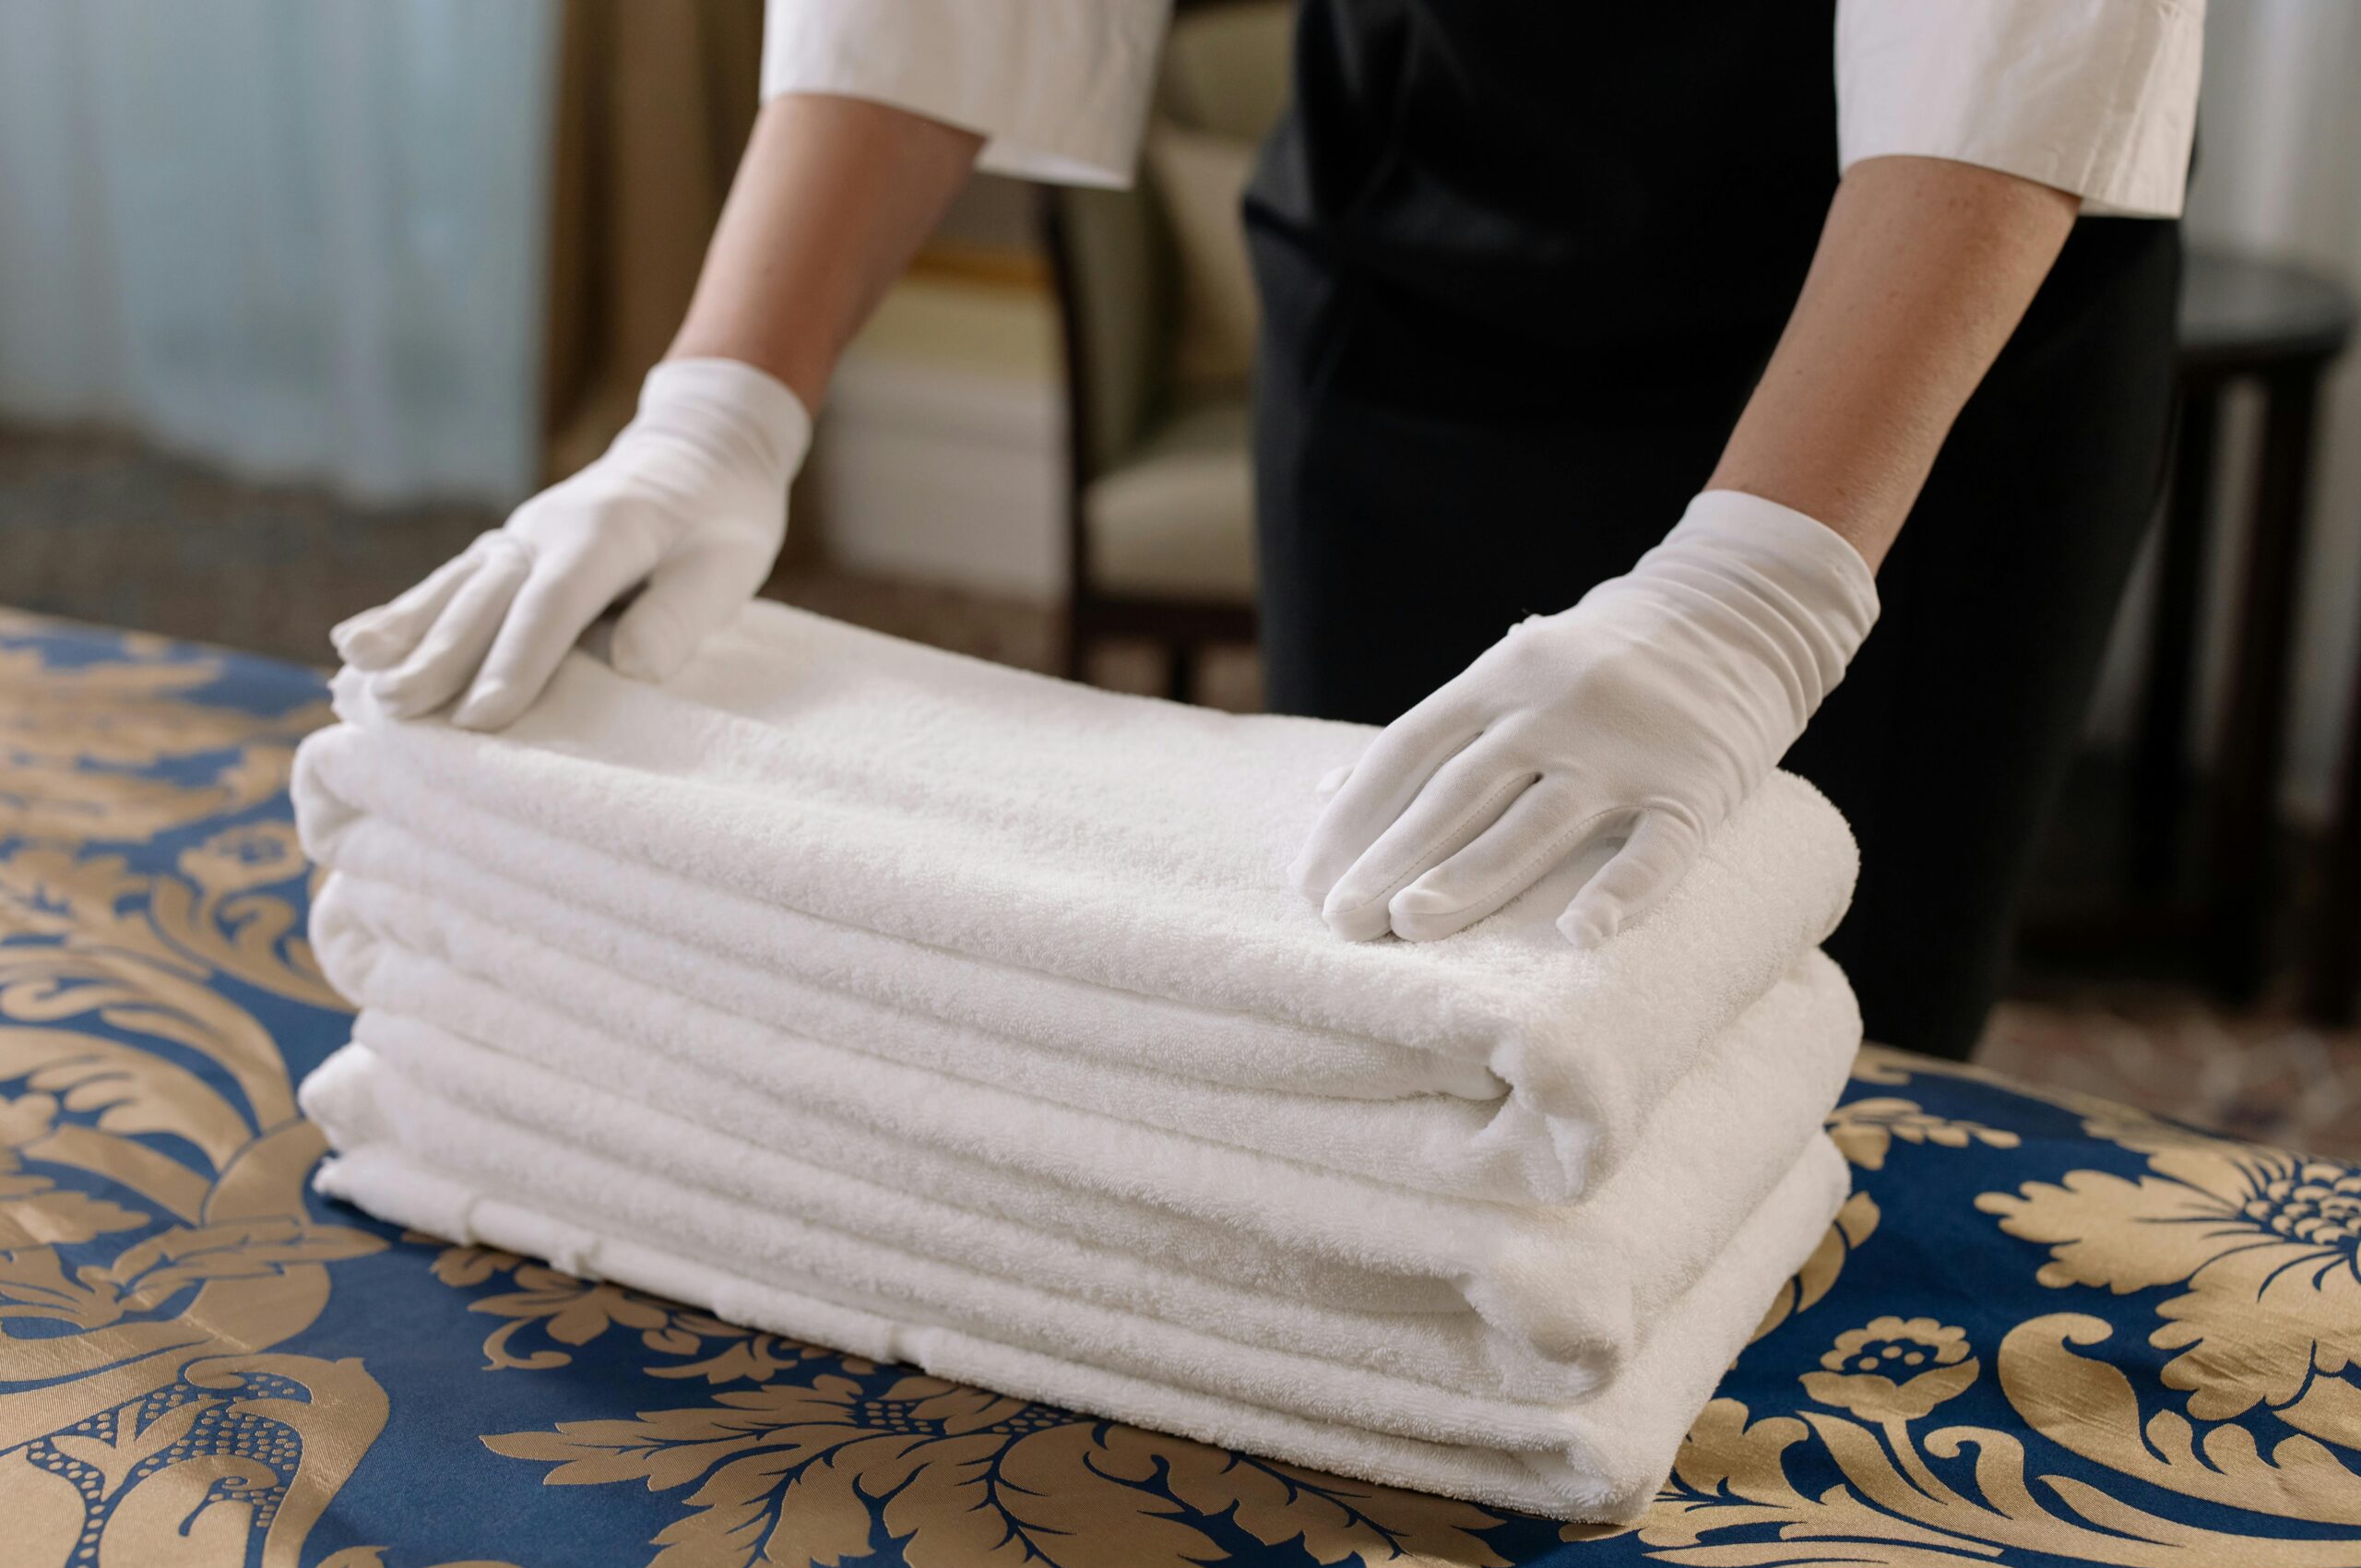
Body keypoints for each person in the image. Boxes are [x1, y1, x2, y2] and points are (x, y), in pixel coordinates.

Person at [333, 0, 2203, 1062]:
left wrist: (1757, 587)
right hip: (1423, 228)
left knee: (1804, 1077)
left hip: (1919, 298)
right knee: (1379, 1046)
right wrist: (716, 406)